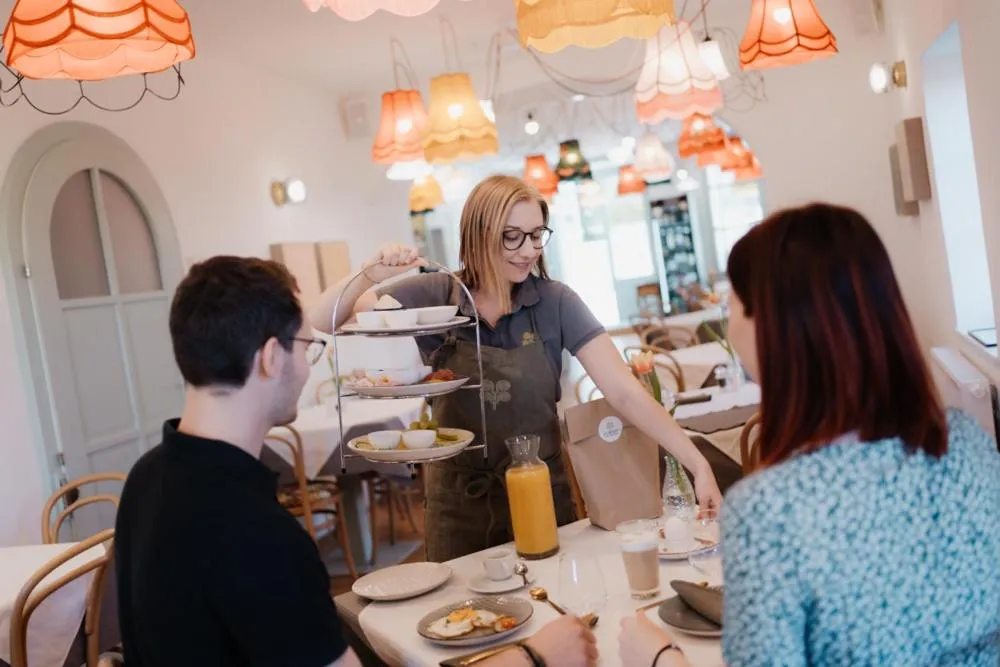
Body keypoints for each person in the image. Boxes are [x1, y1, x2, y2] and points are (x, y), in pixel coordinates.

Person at [115, 256, 600, 667]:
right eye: (306, 347)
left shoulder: (146, 478)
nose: (306, 366)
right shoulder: (257, 535)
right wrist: (533, 657)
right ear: (270, 358)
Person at [619, 203, 1000, 666]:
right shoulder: (968, 443)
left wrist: (659, 657)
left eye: (733, 305)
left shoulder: (768, 512)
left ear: (768, 328)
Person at [311, 174, 722, 562]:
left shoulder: (555, 302)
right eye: (513, 236)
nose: (529, 250)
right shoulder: (437, 294)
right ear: (478, 235)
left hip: (542, 489)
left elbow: (625, 392)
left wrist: (697, 463)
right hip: (458, 502)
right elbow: (322, 319)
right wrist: (368, 275)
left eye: (536, 234)